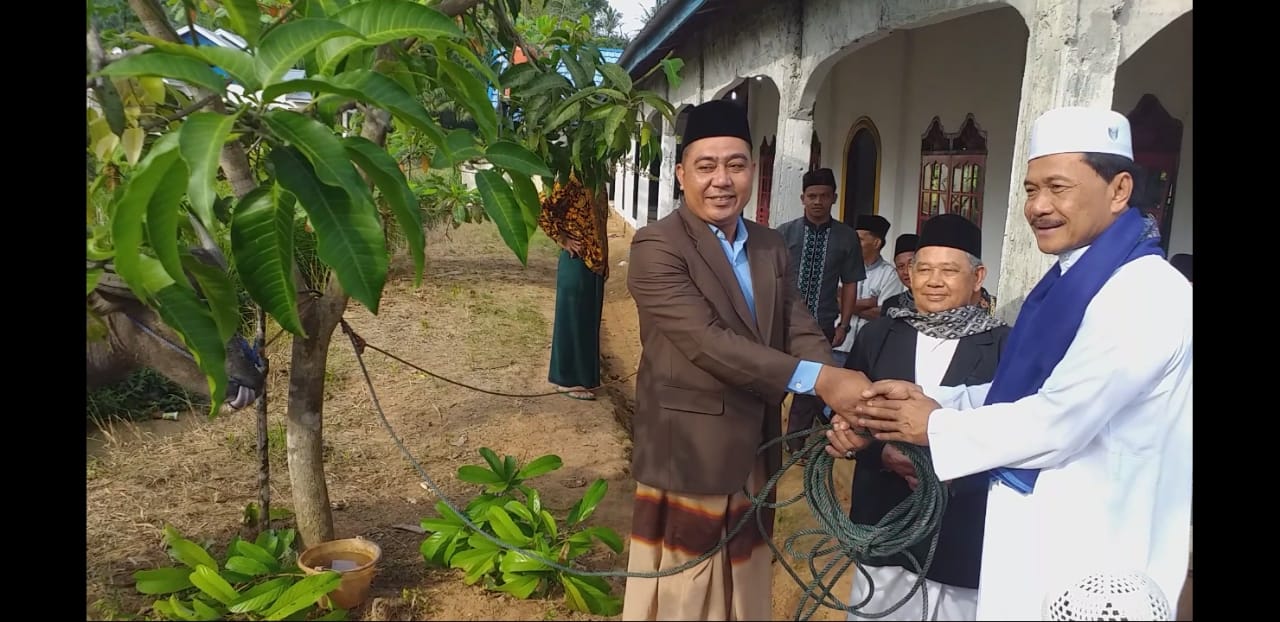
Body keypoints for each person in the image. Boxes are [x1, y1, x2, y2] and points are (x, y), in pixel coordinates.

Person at [825, 106, 1193, 619]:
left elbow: (1058, 418)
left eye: (1058, 188)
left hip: (1095, 552)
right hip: (1036, 535)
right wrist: (933, 405)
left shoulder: (1143, 294)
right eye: (1029, 189)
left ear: (1120, 189)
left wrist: (936, 424)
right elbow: (1022, 393)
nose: (1038, 206)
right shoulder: (1069, 285)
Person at [623, 99, 875, 621]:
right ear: (680, 174)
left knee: (746, 578)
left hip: (755, 444)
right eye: (706, 166)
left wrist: (838, 395)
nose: (722, 180)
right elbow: (708, 342)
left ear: (751, 172)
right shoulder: (657, 246)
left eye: (735, 164)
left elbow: (798, 322)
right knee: (684, 591)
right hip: (688, 447)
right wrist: (821, 380)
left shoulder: (768, 244)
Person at [842, 213, 1010, 621]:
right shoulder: (879, 336)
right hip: (884, 520)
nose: (934, 281)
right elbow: (851, 417)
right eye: (925, 269)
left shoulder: (1003, 346)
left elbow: (1011, 432)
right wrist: (878, 453)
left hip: (959, 528)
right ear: (910, 275)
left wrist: (949, 467)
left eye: (949, 271)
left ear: (977, 276)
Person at [776, 167, 866, 455]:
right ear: (802, 198)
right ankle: (760, 442)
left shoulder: (846, 237)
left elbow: (850, 283)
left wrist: (844, 324)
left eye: (824, 196)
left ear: (834, 198)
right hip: (780, 324)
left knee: (809, 388)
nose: (817, 201)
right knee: (772, 383)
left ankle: (796, 448)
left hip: (823, 326)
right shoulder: (783, 234)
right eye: (812, 196)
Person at [538, 176, 610, 401]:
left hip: (592, 264)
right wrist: (561, 238)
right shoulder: (572, 176)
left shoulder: (592, 174)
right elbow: (541, 206)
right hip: (577, 260)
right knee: (573, 320)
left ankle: (584, 378)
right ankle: (567, 380)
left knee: (586, 321)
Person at [834, 214, 906, 359]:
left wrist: (845, 304)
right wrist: (868, 303)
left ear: (876, 243)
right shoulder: (840, 268)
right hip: (837, 344)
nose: (853, 243)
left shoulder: (889, 274)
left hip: (867, 351)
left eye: (859, 239)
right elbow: (830, 302)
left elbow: (883, 313)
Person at [880, 233, 919, 316]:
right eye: (901, 266)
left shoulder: (941, 300)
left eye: (911, 264)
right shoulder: (890, 304)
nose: (906, 271)